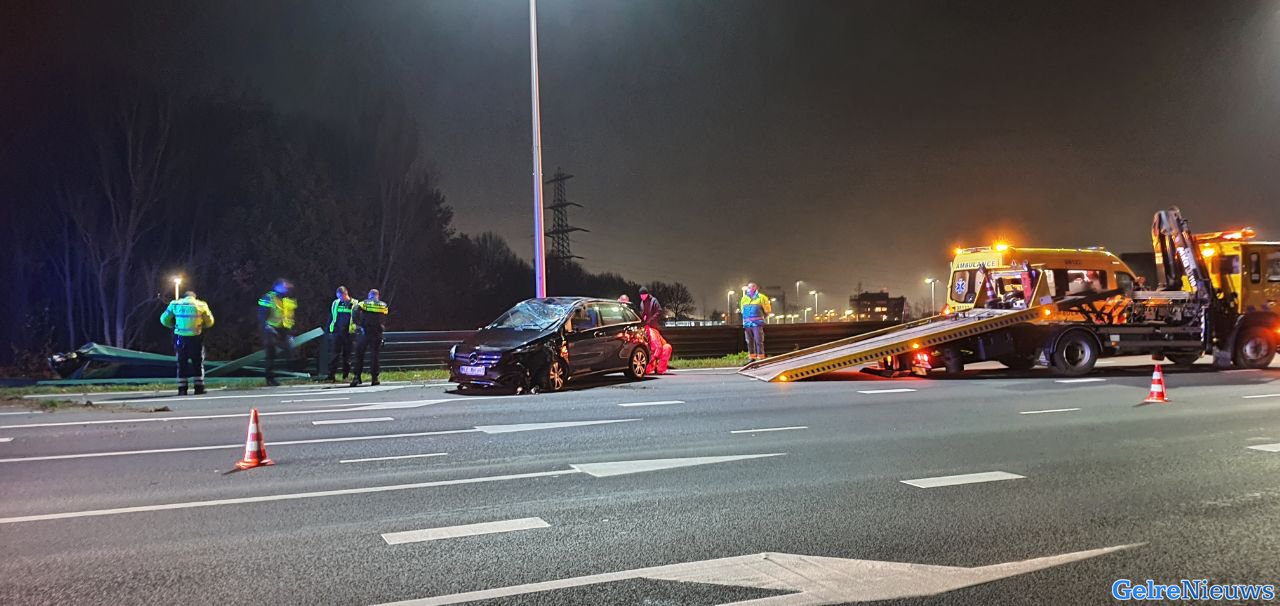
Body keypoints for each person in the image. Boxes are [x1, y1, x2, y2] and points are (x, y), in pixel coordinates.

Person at [160, 290, 215, 395]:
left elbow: (164, 320)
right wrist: (202, 326)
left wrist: (173, 325)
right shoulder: (201, 304)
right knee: (197, 363)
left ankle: (182, 389)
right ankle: (199, 388)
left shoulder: (175, 304)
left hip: (180, 337)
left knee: (181, 363)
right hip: (196, 337)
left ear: (184, 297)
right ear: (194, 297)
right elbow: (210, 321)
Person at [258, 279, 297, 386]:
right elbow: (261, 313)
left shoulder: (289, 299)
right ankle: (270, 378)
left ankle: (289, 370)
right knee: (271, 353)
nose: (286, 289)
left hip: (284, 329)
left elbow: (291, 315)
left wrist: (292, 331)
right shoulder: (269, 297)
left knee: (290, 350)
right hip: (270, 328)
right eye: (284, 287)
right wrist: (265, 326)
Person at [351, 288, 389, 387]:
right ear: (378, 295)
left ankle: (356, 377)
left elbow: (354, 312)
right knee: (374, 356)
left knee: (359, 355)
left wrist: (358, 324)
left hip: (364, 332)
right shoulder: (383, 305)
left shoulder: (363, 303)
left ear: (369, 295)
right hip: (377, 333)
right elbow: (385, 318)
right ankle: (375, 378)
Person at [325, 286, 358, 382]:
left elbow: (357, 318)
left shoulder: (355, 303)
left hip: (349, 333)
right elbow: (332, 317)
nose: (340, 299)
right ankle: (331, 375)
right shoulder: (336, 303)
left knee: (347, 356)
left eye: (341, 296)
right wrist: (328, 330)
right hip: (337, 332)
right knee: (334, 355)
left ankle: (345, 375)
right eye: (338, 297)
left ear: (345, 294)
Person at [638, 287, 672, 374]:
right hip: (648, 325)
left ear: (646, 294)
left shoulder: (653, 300)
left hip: (652, 325)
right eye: (640, 296)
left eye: (643, 295)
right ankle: (652, 367)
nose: (642, 297)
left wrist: (650, 320)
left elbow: (659, 311)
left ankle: (659, 368)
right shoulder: (642, 303)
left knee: (659, 347)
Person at [739, 282, 773, 361]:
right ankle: (752, 357)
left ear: (755, 288)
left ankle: (760, 356)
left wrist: (761, 318)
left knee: (759, 340)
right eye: (748, 287)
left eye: (751, 287)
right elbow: (742, 311)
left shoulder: (762, 297)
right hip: (747, 324)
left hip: (757, 324)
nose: (749, 289)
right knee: (749, 341)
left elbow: (767, 310)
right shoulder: (744, 298)